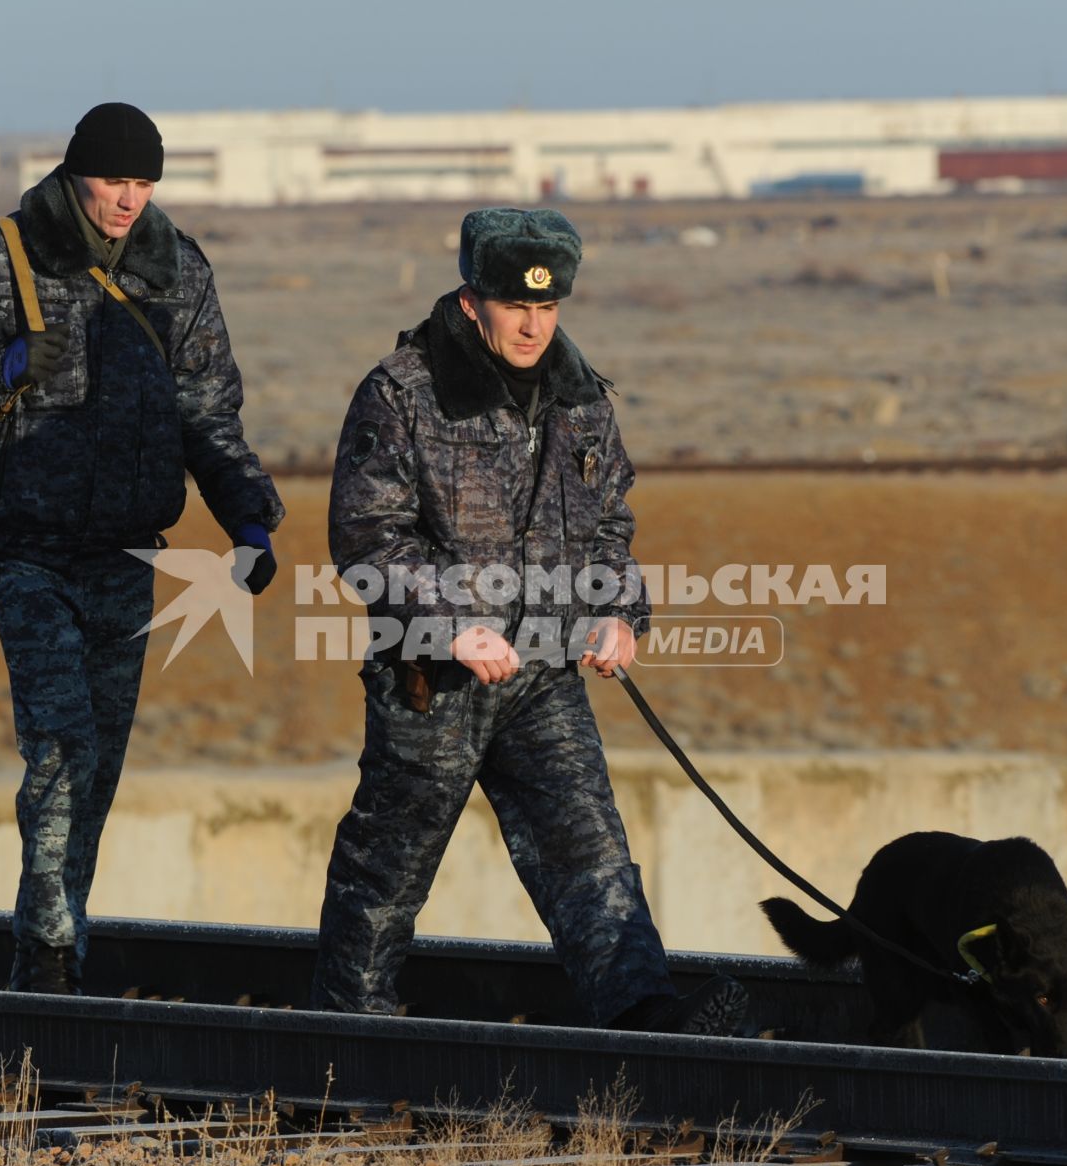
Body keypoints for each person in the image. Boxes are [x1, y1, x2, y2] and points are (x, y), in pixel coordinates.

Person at [0, 103, 283, 994]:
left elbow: (207, 413)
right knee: (59, 742)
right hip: (23, 548)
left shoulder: (177, 273)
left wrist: (249, 518)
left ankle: (54, 943)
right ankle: (51, 953)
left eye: (143, 183)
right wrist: (0, 368)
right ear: (74, 175)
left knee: (97, 756)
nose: (129, 199)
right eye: (113, 181)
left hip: (130, 551)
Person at [309, 207, 750, 1035]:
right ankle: (344, 1041)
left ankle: (644, 1021)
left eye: (548, 308)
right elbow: (367, 535)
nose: (533, 324)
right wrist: (448, 628)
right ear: (472, 300)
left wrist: (617, 611)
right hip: (431, 684)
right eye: (515, 305)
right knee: (387, 873)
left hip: (543, 677)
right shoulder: (402, 393)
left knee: (591, 852)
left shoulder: (581, 400)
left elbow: (608, 523)